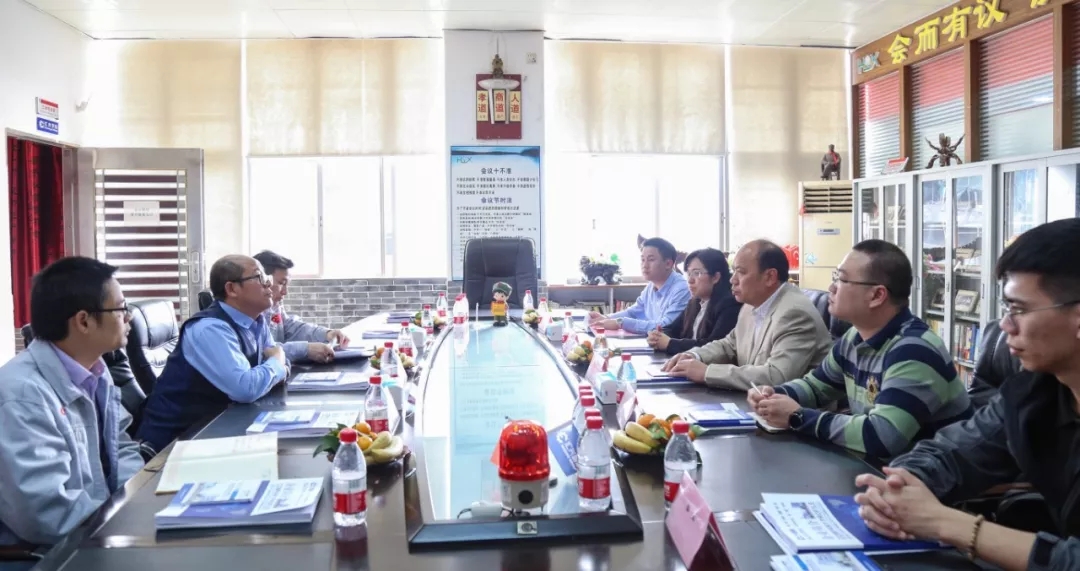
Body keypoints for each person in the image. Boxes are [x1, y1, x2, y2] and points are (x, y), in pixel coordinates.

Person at [854, 219, 1080, 571]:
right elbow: (953, 452)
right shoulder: (1033, 392)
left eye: (1019, 310)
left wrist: (948, 524)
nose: (1005, 325)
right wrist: (899, 486)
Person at [751, 240, 973, 460]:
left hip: (933, 477)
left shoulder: (914, 351)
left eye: (842, 279)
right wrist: (774, 395)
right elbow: (815, 387)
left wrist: (797, 417)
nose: (831, 287)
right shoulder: (854, 337)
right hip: (880, 469)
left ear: (877, 296)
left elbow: (882, 436)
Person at [0, 257, 144, 547]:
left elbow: (122, 447)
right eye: (121, 308)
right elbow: (47, 514)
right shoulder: (23, 395)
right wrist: (125, 523)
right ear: (83, 321)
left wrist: (136, 504)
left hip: (101, 530)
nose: (129, 317)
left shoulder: (96, 372)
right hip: (50, 554)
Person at [137, 255, 289, 454]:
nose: (268, 283)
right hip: (178, 443)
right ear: (232, 289)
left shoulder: (255, 320)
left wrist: (276, 365)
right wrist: (277, 361)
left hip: (222, 430)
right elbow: (246, 388)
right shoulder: (210, 329)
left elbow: (275, 368)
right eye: (259, 277)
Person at [662, 239, 831, 390]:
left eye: (741, 272)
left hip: (794, 411)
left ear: (770, 277)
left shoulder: (795, 313)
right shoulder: (750, 305)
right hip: (755, 400)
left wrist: (707, 372)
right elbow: (729, 345)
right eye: (733, 271)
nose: (732, 280)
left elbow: (777, 377)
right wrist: (695, 355)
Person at [253, 250, 350, 364]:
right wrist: (305, 350)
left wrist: (326, 334)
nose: (285, 292)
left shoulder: (274, 306)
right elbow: (263, 351)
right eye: (281, 283)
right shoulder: (248, 312)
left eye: (287, 284)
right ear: (263, 280)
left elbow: (290, 327)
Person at [647, 248, 741, 355]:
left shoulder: (730, 305)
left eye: (697, 273)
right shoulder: (695, 302)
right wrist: (658, 336)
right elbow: (672, 329)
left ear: (715, 277)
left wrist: (669, 343)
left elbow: (714, 347)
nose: (690, 280)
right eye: (689, 273)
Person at [588, 237, 691, 335]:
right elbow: (633, 312)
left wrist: (620, 323)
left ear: (668, 264)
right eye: (642, 260)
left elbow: (665, 326)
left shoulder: (682, 289)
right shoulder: (651, 286)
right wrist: (606, 318)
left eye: (651, 259)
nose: (644, 265)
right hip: (653, 341)